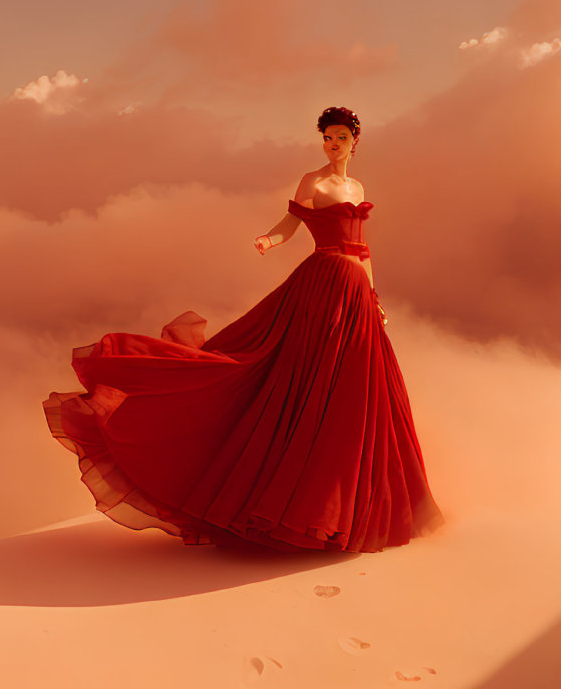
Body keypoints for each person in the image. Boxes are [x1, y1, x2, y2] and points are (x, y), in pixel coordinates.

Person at [43, 106, 444, 553]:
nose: (333, 145)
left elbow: (363, 250)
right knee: (303, 378)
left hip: (356, 292)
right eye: (327, 137)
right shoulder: (313, 182)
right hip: (323, 284)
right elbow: (291, 223)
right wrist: (269, 240)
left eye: (340, 138)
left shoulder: (357, 186)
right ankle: (295, 502)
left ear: (355, 140)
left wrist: (373, 296)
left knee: (358, 389)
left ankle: (344, 508)